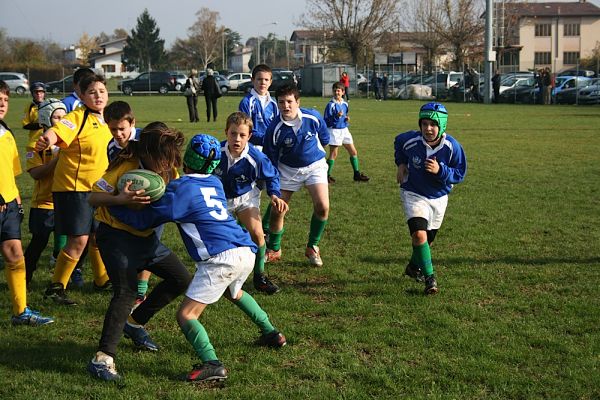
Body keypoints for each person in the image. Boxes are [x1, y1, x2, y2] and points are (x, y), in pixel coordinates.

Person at [108, 134, 286, 382]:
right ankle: (271, 332)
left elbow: (143, 221)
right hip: (246, 249)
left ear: (185, 160)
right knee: (234, 293)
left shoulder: (180, 189)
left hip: (221, 258)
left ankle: (212, 364)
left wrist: (113, 204)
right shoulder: (214, 182)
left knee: (186, 315)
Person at [86, 122, 192, 382]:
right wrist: (119, 200)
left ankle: (134, 324)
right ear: (146, 152)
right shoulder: (125, 164)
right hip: (115, 237)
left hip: (146, 240)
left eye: (170, 159)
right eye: (163, 158)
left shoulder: (169, 167)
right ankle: (102, 359)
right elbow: (93, 197)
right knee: (126, 291)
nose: (167, 164)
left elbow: (179, 194)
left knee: (181, 279)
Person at [35, 73, 111, 305]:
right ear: (81, 96)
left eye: (101, 91)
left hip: (97, 190)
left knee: (99, 237)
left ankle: (101, 280)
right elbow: (57, 131)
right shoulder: (77, 117)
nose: (98, 95)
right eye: (91, 92)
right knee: (79, 241)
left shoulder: (107, 118)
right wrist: (46, 139)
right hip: (74, 189)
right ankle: (55, 288)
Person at [394, 102, 467, 295]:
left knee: (428, 240)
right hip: (413, 193)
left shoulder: (452, 147)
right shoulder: (411, 140)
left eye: (433, 124)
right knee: (419, 235)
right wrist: (401, 163)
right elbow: (399, 143)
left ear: (442, 125)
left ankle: (412, 267)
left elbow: (459, 173)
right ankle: (430, 278)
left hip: (439, 197)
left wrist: (440, 170)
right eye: (424, 124)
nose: (428, 128)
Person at [213, 112, 288, 295]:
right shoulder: (215, 151)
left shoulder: (257, 158)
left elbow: (272, 176)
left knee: (257, 234)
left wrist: (275, 195)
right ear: (226, 132)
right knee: (221, 240)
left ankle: (259, 277)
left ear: (249, 136)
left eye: (242, 135)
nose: (237, 139)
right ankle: (218, 275)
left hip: (246, 198)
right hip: (220, 200)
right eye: (233, 134)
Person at [0, 80, 54, 326]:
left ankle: (20, 311)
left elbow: (9, 173)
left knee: (15, 255)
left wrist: (16, 201)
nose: (2, 104)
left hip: (8, 205)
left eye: (5, 100)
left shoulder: (6, 133)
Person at [263, 84, 330, 266]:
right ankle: (275, 249)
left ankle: (312, 247)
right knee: (278, 211)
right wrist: (273, 188)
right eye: (281, 102)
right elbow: (270, 160)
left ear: (297, 102)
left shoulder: (312, 117)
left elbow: (324, 137)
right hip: (287, 170)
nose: (286, 106)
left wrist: (312, 155)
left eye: (290, 101)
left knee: (323, 207)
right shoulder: (274, 129)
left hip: (314, 166)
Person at [103, 100, 154, 307]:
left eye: (122, 129)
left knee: (149, 248)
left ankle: (140, 294)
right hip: (126, 203)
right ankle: (127, 287)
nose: (118, 134)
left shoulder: (146, 140)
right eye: (113, 129)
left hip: (150, 201)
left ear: (132, 122)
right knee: (128, 248)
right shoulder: (111, 146)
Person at [23, 99, 67, 286]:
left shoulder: (68, 140)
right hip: (44, 203)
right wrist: (56, 161)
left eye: (63, 117)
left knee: (71, 242)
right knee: (38, 242)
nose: (60, 121)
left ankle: (65, 279)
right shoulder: (36, 144)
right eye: (56, 117)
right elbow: (36, 174)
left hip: (66, 199)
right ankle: (25, 276)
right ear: (45, 118)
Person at [324, 82, 370, 184]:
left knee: (353, 152)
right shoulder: (330, 105)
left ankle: (356, 174)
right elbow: (326, 120)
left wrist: (346, 118)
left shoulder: (345, 104)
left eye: (338, 91)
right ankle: (326, 176)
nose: (336, 92)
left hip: (344, 130)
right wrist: (336, 116)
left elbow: (345, 114)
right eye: (335, 90)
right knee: (333, 154)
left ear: (343, 92)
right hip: (335, 131)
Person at [238, 64, 279, 148]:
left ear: (270, 82)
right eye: (259, 79)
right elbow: (245, 129)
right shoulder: (246, 102)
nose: (263, 82)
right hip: (253, 148)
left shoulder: (274, 103)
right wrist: (266, 139)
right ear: (252, 80)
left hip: (270, 148)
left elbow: (277, 127)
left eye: (266, 80)